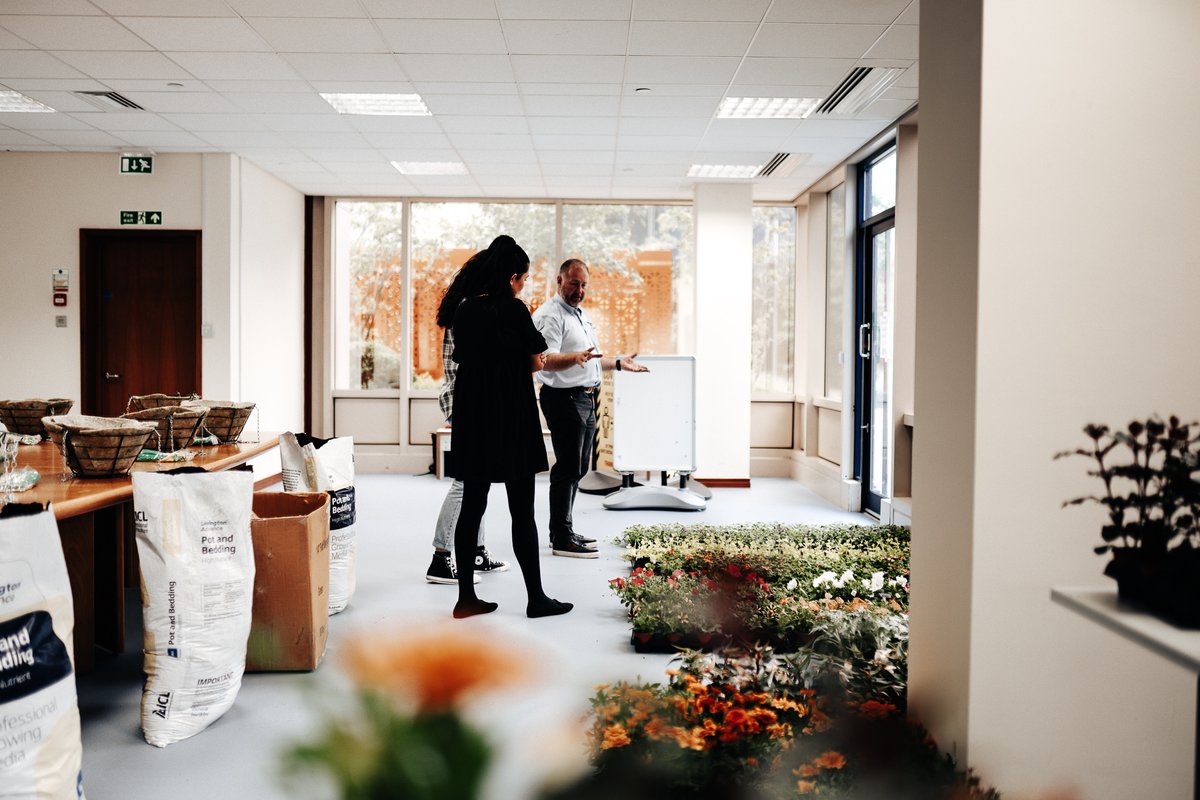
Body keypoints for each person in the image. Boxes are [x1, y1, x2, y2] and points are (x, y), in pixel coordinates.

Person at [448, 235, 572, 619]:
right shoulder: (515, 310)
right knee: (522, 511)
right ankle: (536, 598)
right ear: (513, 276)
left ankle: (465, 598)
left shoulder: (464, 310)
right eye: (523, 278)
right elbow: (537, 359)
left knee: (472, 506)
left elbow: (461, 358)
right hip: (512, 417)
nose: (523, 284)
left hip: (474, 418)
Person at [532, 258, 649, 558]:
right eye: (574, 283)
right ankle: (560, 537)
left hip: (584, 398)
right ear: (559, 281)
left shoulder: (580, 315)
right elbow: (544, 359)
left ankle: (565, 529)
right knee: (567, 469)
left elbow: (590, 358)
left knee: (578, 469)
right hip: (563, 398)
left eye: (583, 285)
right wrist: (575, 358)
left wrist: (620, 363)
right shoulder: (551, 315)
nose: (579, 290)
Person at [425, 258, 510, 585]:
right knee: (466, 482)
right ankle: (441, 558)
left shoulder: (467, 307)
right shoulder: (469, 310)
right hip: (468, 401)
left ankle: (474, 550)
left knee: (479, 480)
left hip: (468, 400)